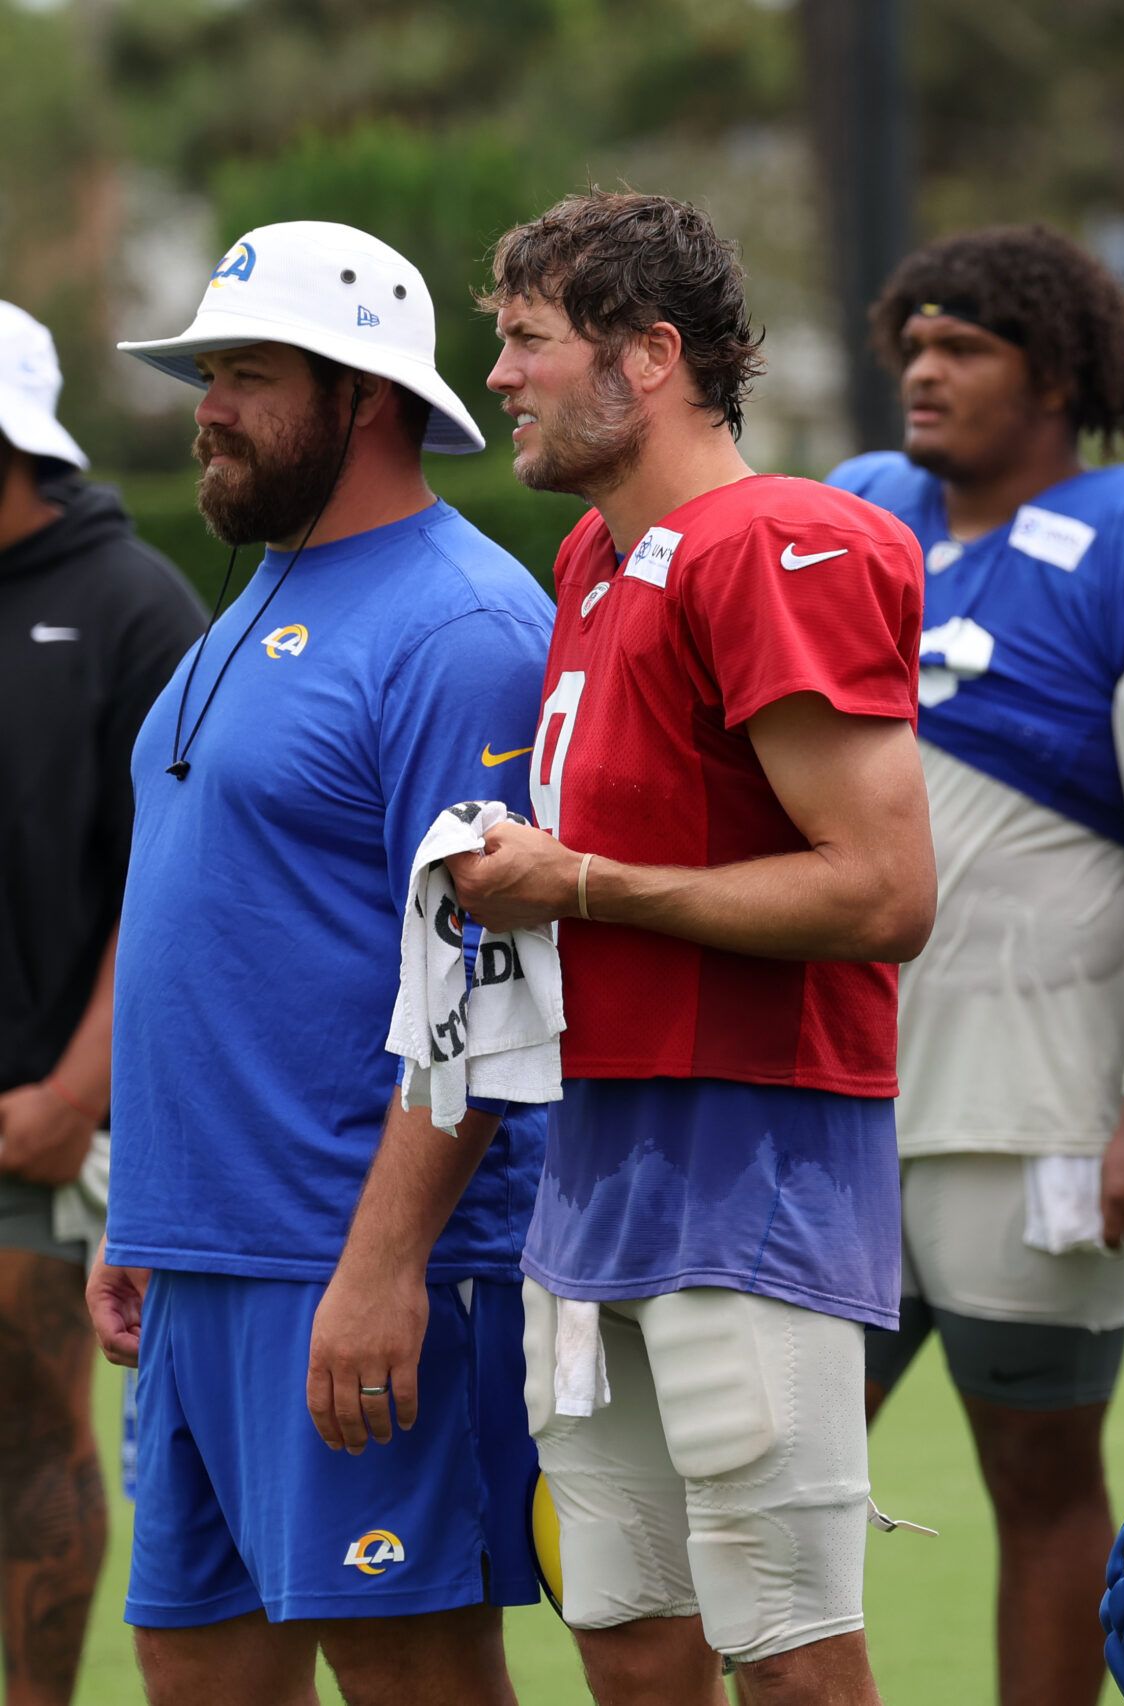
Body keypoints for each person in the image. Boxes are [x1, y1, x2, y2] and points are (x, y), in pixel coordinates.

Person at [464, 190, 933, 1706]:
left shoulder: (776, 541)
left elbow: (881, 892)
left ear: (649, 354)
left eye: (528, 340)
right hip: (600, 1146)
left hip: (760, 1145)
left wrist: (581, 883)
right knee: (618, 1610)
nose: (501, 379)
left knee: (783, 1625)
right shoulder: (597, 565)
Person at [91, 222, 551, 1706]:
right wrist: (141, 1209)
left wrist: (384, 1261)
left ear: (363, 397)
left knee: (407, 1663)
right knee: (192, 1661)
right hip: (201, 1255)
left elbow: (493, 979)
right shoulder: (242, 607)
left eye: (245, 374)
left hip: (353, 1259)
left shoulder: (463, 623)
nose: (207, 407)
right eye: (207, 374)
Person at [824, 225, 1124, 1706]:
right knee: (774, 1471)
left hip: (1034, 1110)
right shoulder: (865, 520)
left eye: (967, 348)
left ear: (1059, 371)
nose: (925, 372)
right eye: (916, 345)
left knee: (1037, 1475)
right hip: (839, 1100)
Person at [0, 300, 201, 1706]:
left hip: (37, 1123)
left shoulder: (135, 605)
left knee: (23, 1431)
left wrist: (77, 1094)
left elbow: (174, 880)